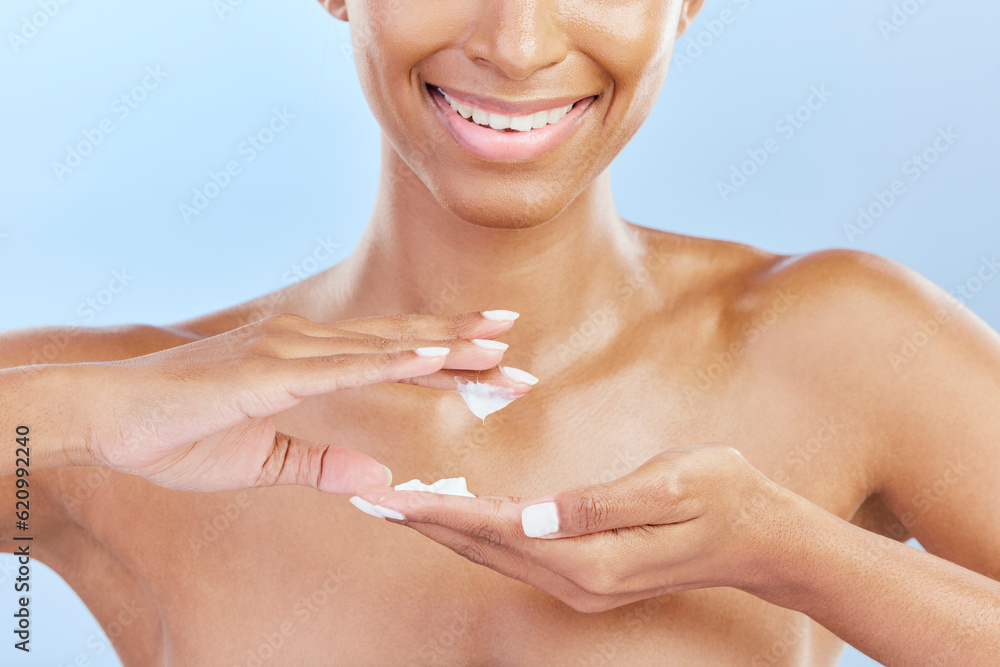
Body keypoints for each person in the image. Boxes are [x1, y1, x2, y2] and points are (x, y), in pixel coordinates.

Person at [3, 0, 1000, 664]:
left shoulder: (844, 345)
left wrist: (794, 555)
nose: (517, 46)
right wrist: (68, 416)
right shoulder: (114, 414)